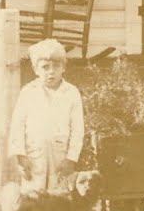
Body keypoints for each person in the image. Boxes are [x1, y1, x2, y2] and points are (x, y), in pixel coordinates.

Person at [7, 38, 86, 196]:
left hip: (60, 156)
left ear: (63, 68)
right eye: (45, 67)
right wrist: (21, 156)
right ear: (36, 70)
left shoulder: (71, 93)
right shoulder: (28, 92)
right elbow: (17, 126)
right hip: (34, 156)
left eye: (56, 66)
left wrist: (71, 159)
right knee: (33, 198)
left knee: (59, 198)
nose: (51, 72)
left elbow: (78, 129)